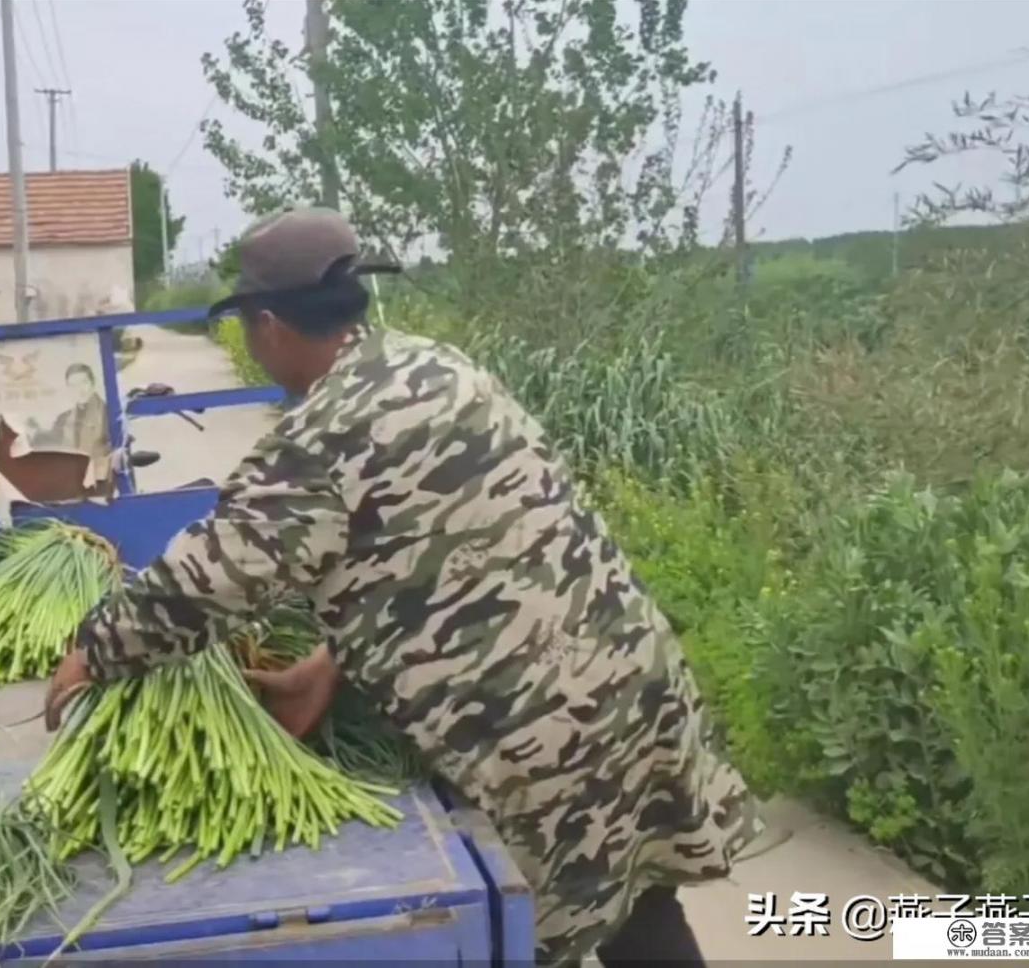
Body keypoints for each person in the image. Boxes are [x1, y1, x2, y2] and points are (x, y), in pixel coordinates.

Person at [43, 207, 762, 965]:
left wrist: (95, 649)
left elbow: (213, 578)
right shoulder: (437, 366)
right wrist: (329, 665)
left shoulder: (315, 440)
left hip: (536, 729)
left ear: (269, 327)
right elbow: (438, 553)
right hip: (630, 680)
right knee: (638, 906)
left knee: (527, 933)